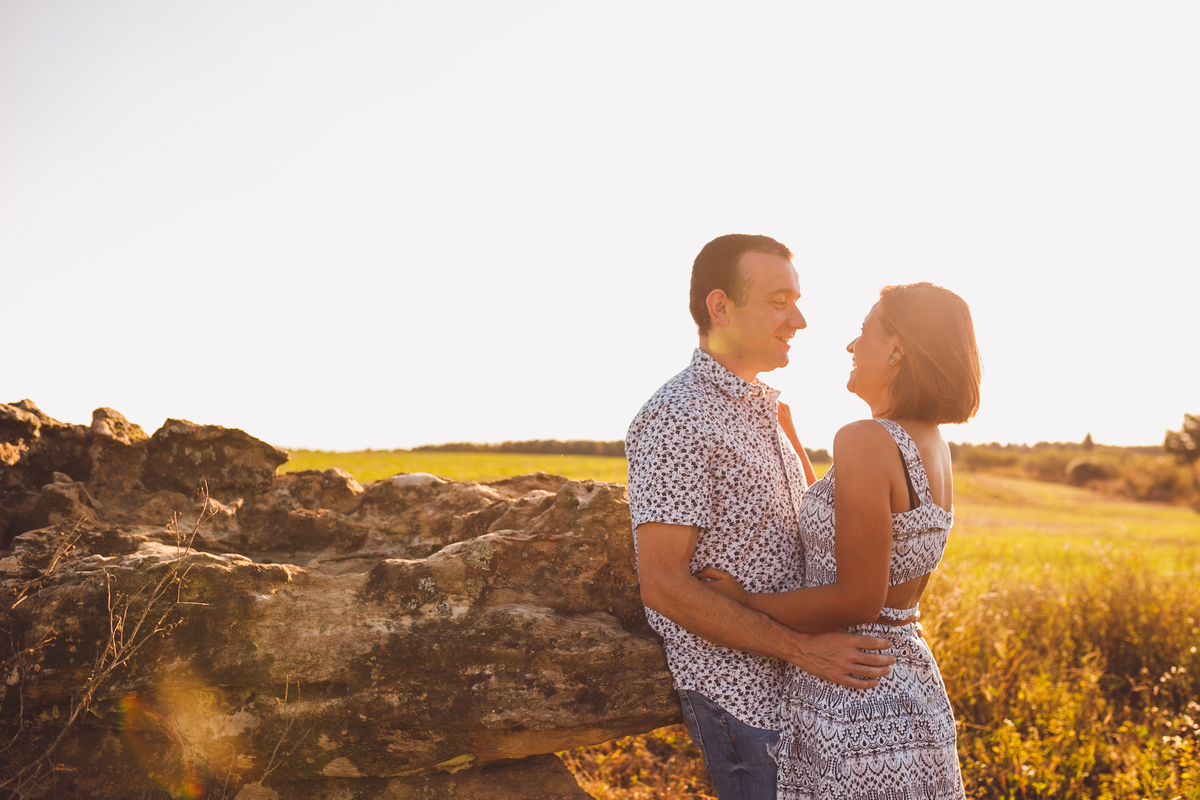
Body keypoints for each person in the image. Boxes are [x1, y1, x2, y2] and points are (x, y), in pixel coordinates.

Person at [626, 234, 900, 800]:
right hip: (742, 700)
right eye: (779, 301)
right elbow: (664, 584)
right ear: (720, 307)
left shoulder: (770, 412)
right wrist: (803, 649)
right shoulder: (676, 417)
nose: (798, 320)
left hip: (807, 689)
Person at [699, 282, 981, 799]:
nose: (852, 347)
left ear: (898, 349)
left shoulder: (866, 439)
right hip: (909, 690)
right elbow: (852, 531)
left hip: (853, 700)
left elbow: (857, 597)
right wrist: (793, 446)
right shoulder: (929, 443)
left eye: (864, 333)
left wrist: (745, 602)